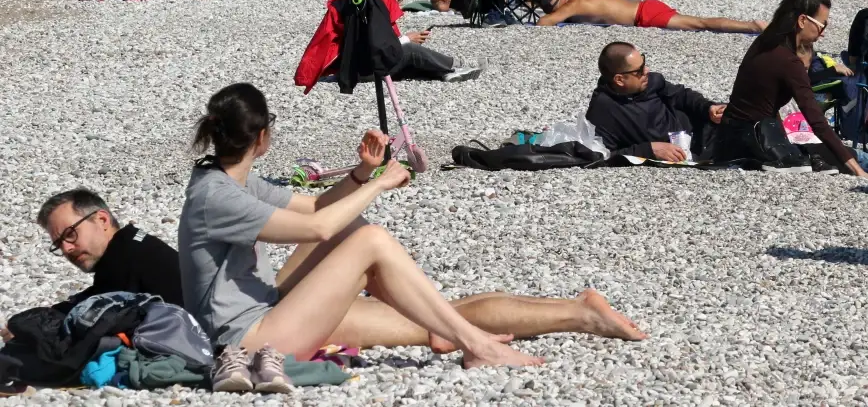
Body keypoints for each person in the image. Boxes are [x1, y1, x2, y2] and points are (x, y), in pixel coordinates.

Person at [180, 84, 645, 382]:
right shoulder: (214, 197)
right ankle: (476, 344)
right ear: (262, 137)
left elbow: (322, 206)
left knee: (432, 315)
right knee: (370, 239)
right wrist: (382, 183)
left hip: (272, 308)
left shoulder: (233, 179)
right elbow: (318, 226)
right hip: (251, 341)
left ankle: (577, 313)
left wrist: (362, 173)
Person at [714, 0, 868, 176]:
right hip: (756, 141)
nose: (823, 33)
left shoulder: (765, 43)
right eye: (822, 25)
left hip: (731, 137)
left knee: (819, 152)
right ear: (802, 20)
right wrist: (856, 169)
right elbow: (816, 118)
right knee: (855, 156)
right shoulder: (788, 60)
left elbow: (787, 89)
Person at [296, 0, 483, 90]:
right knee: (410, 51)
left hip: (363, 67)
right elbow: (377, 48)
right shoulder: (371, 9)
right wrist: (407, 39)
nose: (399, 3)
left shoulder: (372, 3)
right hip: (363, 71)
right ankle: (454, 66)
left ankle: (445, 73)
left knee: (411, 64)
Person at [35, 189, 184, 310]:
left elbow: (95, 320)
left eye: (70, 234)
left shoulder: (125, 262)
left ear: (102, 220)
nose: (66, 248)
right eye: (59, 243)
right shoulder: (134, 244)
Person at [586, 42, 724, 163]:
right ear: (619, 80)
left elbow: (682, 95)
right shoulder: (604, 110)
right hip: (689, 155)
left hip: (703, 129)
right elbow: (603, 156)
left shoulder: (651, 82)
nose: (646, 71)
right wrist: (649, 150)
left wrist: (708, 107)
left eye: (644, 63)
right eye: (639, 70)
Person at [537, 0, 765, 34]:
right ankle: (751, 26)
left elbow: (544, 23)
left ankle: (751, 26)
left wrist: (555, 14)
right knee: (699, 22)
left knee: (701, 23)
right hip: (645, 5)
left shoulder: (572, 5)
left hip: (645, 16)